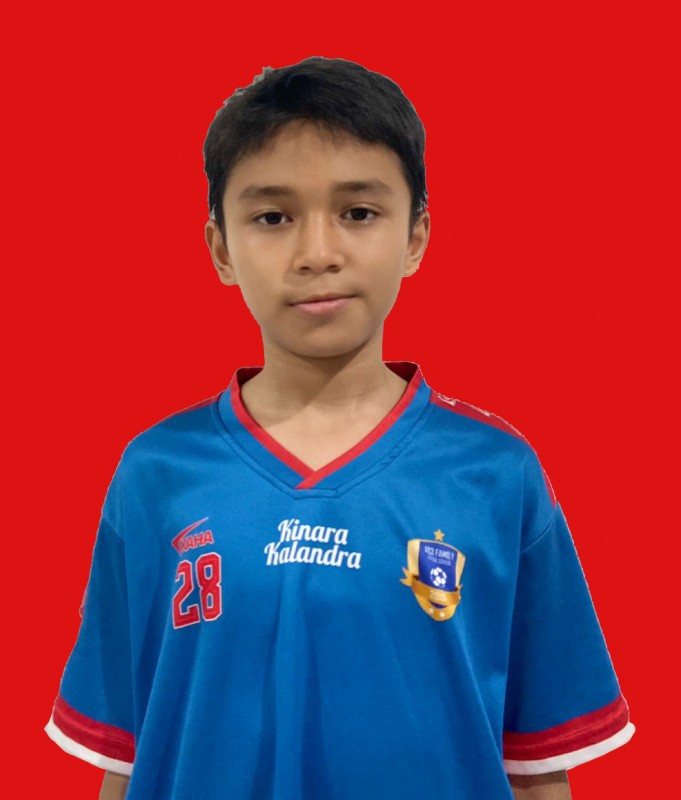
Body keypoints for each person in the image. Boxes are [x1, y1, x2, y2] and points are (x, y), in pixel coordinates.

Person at [45, 57, 634, 800]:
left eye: (357, 212)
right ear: (221, 249)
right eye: (273, 217)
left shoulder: (495, 474)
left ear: (415, 236)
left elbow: (539, 767)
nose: (317, 253)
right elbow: (125, 755)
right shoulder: (156, 473)